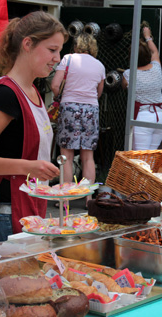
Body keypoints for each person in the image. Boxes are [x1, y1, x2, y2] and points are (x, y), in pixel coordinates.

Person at [0, 11, 68, 245]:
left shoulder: (35, 92)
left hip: (30, 206)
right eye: (52, 50)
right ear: (28, 44)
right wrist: (29, 167)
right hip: (5, 212)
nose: (57, 58)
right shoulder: (5, 94)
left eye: (59, 51)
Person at [51, 33, 105, 206]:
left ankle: (65, 199)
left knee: (66, 154)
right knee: (88, 156)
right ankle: (88, 199)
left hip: (69, 108)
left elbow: (54, 85)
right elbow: (99, 93)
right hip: (91, 109)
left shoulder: (68, 59)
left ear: (76, 45)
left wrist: (60, 96)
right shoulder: (99, 65)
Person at [122, 26, 162, 150]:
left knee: (139, 158)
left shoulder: (128, 74)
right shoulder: (156, 68)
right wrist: (147, 36)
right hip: (161, 117)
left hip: (144, 117)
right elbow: (155, 52)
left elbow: (123, 87)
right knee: (151, 158)